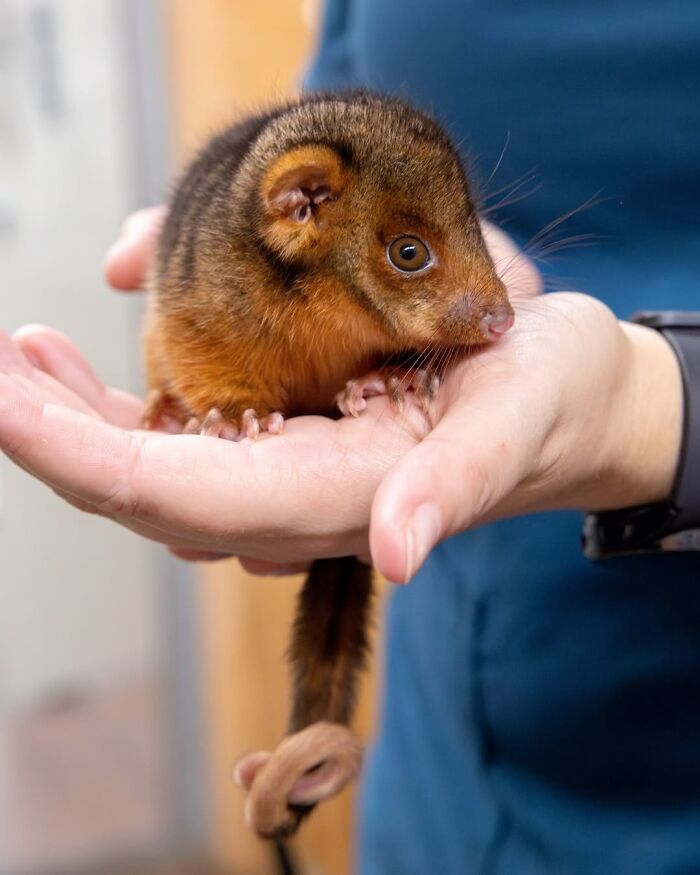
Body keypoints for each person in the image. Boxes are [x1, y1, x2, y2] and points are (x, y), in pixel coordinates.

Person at [1, 1, 699, 872]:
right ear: (298, 212)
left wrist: (642, 404)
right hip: (447, 737)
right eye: (411, 255)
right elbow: (200, 312)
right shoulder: (259, 251)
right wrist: (216, 402)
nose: (491, 313)